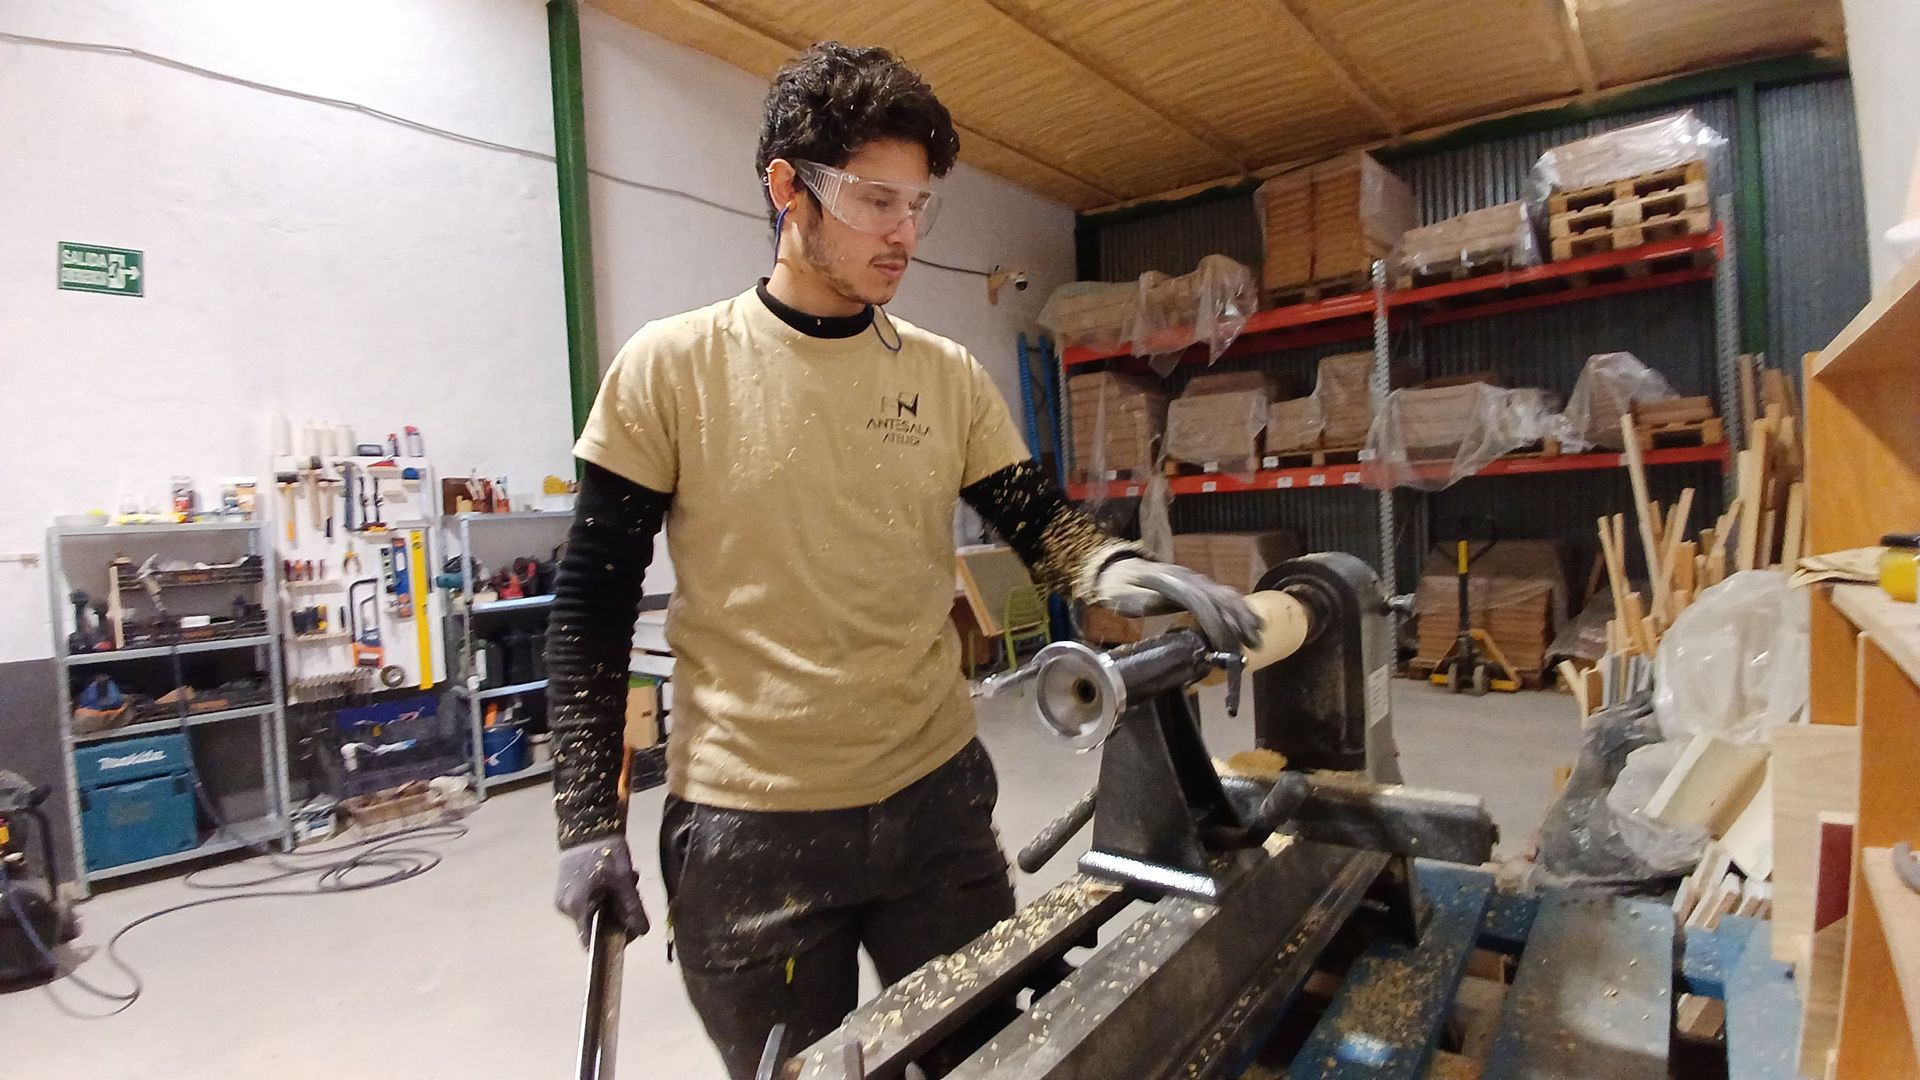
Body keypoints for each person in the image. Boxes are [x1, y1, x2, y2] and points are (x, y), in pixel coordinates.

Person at [547, 41, 1260, 1080]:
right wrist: (585, 817)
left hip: (936, 810)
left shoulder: (944, 375)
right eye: (875, 201)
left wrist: (1108, 570)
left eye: (919, 205)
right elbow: (591, 607)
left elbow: (1037, 522)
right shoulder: (673, 367)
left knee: (990, 1054)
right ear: (787, 188)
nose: (906, 234)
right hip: (753, 836)